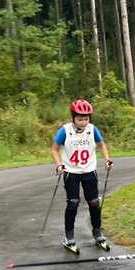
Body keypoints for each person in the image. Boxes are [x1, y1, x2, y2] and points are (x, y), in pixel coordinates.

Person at [51, 99, 113, 252]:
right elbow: (54, 149)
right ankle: (69, 235)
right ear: (73, 118)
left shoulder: (92, 129)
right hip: (71, 172)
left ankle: (97, 231)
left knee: (94, 202)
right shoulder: (64, 130)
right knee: (73, 202)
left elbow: (101, 144)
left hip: (89, 171)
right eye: (80, 119)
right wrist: (59, 164)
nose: (83, 122)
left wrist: (106, 159)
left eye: (86, 119)